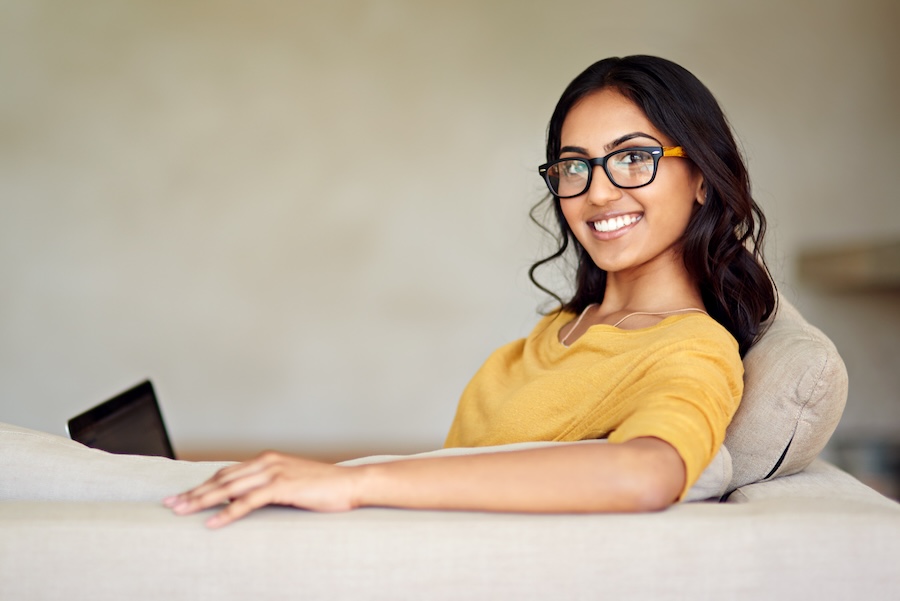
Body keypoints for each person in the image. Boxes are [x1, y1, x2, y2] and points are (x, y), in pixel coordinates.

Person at [165, 55, 776, 528]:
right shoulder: (569, 326)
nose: (598, 192)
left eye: (632, 158)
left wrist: (355, 484)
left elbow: (646, 473)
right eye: (574, 166)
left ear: (700, 176)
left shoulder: (691, 348)